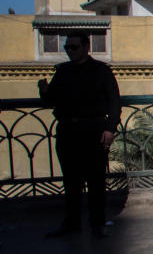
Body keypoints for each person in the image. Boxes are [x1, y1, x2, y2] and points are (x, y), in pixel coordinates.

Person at [38, 32, 121, 239]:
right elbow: (51, 100)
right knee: (71, 182)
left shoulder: (101, 71)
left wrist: (110, 128)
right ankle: (72, 223)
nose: (69, 51)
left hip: (93, 130)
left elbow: (114, 102)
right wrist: (44, 90)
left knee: (96, 181)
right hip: (68, 131)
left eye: (73, 47)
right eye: (67, 48)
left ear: (86, 47)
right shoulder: (63, 72)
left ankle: (97, 224)